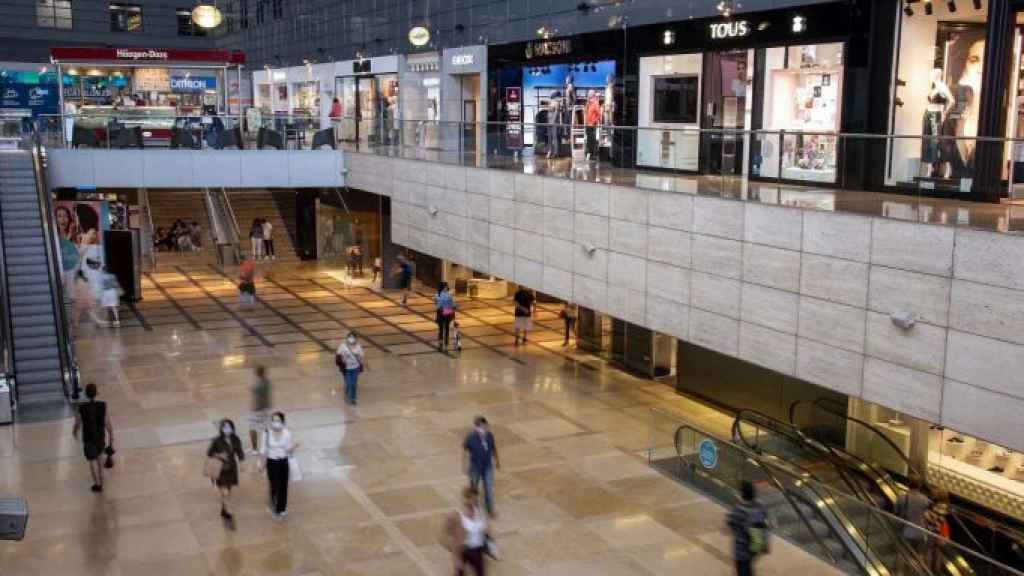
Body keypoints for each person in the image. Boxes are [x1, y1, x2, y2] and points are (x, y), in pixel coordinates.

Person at [72, 383, 114, 493]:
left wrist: (74, 432)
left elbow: (78, 423)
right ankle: (102, 482)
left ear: (86, 394)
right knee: (100, 460)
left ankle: (97, 484)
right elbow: (107, 423)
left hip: (88, 438)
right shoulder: (103, 405)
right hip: (100, 437)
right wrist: (111, 434)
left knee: (91, 462)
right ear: (96, 393)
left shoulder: (81, 407)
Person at [207, 419, 245, 530]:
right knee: (225, 492)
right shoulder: (217, 441)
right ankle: (229, 515)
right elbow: (209, 453)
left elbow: (240, 452)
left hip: (232, 469)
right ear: (221, 429)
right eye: (225, 427)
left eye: (229, 427)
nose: (227, 429)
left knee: (228, 491)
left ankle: (224, 510)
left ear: (232, 428)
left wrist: (242, 462)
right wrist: (219, 455)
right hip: (221, 470)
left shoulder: (235, 439)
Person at [727, 480, 769, 576]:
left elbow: (731, 523)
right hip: (757, 544)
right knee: (749, 566)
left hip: (742, 549)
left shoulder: (739, 510)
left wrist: (736, 503)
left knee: (743, 569)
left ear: (742, 494)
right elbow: (765, 519)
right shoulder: (760, 505)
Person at [444, 487, 488, 576]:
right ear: (465, 499)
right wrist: (456, 558)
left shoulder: (480, 512)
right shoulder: (456, 515)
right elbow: (447, 535)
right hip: (464, 550)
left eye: (476, 499)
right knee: (460, 573)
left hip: (478, 550)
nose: (475, 501)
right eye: (472, 499)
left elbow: (484, 529)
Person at [262, 411, 298, 519]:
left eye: (278, 420)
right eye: (273, 420)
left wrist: (294, 447)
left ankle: (281, 509)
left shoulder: (287, 433)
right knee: (274, 486)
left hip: (283, 462)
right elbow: (263, 449)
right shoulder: (266, 433)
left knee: (283, 486)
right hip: (271, 462)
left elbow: (288, 450)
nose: (275, 422)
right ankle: (274, 505)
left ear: (282, 422)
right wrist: (261, 463)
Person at [463, 416, 500, 517]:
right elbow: (465, 452)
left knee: (488, 488)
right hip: (475, 467)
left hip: (487, 466)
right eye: (481, 427)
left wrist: (497, 461)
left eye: (485, 427)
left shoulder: (489, 436)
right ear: (476, 427)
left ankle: (490, 510)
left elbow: (493, 448)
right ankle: (474, 509)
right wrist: (465, 465)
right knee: (474, 489)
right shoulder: (470, 438)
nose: (484, 429)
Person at [336, 332, 366, 405]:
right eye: (350, 337)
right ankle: (348, 396)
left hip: (355, 368)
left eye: (353, 337)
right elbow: (338, 354)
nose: (351, 339)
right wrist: (343, 357)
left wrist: (358, 356)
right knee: (349, 384)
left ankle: (353, 398)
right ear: (347, 338)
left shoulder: (358, 346)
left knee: (354, 384)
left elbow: (362, 356)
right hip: (346, 368)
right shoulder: (343, 346)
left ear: (356, 339)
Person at [248, 365, 272, 455]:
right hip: (266, 408)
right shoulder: (267, 381)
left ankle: (254, 449)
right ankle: (267, 446)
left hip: (257, 410)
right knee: (266, 428)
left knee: (252, 428)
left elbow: (253, 390)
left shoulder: (258, 385)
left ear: (257, 373)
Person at [434, 282, 456, 351]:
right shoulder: (448, 295)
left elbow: (437, 304)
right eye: (446, 287)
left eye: (447, 287)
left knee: (445, 327)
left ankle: (444, 341)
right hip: (444, 312)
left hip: (443, 312)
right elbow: (452, 305)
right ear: (443, 288)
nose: (447, 288)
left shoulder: (437, 295)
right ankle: (443, 341)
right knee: (443, 328)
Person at [584, 90, 602, 161]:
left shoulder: (595, 104)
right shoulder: (588, 104)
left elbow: (599, 115)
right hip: (587, 124)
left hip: (592, 125)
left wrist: (593, 122)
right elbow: (585, 111)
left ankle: (592, 154)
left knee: (592, 140)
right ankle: (589, 153)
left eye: (589, 95)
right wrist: (587, 103)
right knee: (588, 139)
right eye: (588, 96)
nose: (588, 97)